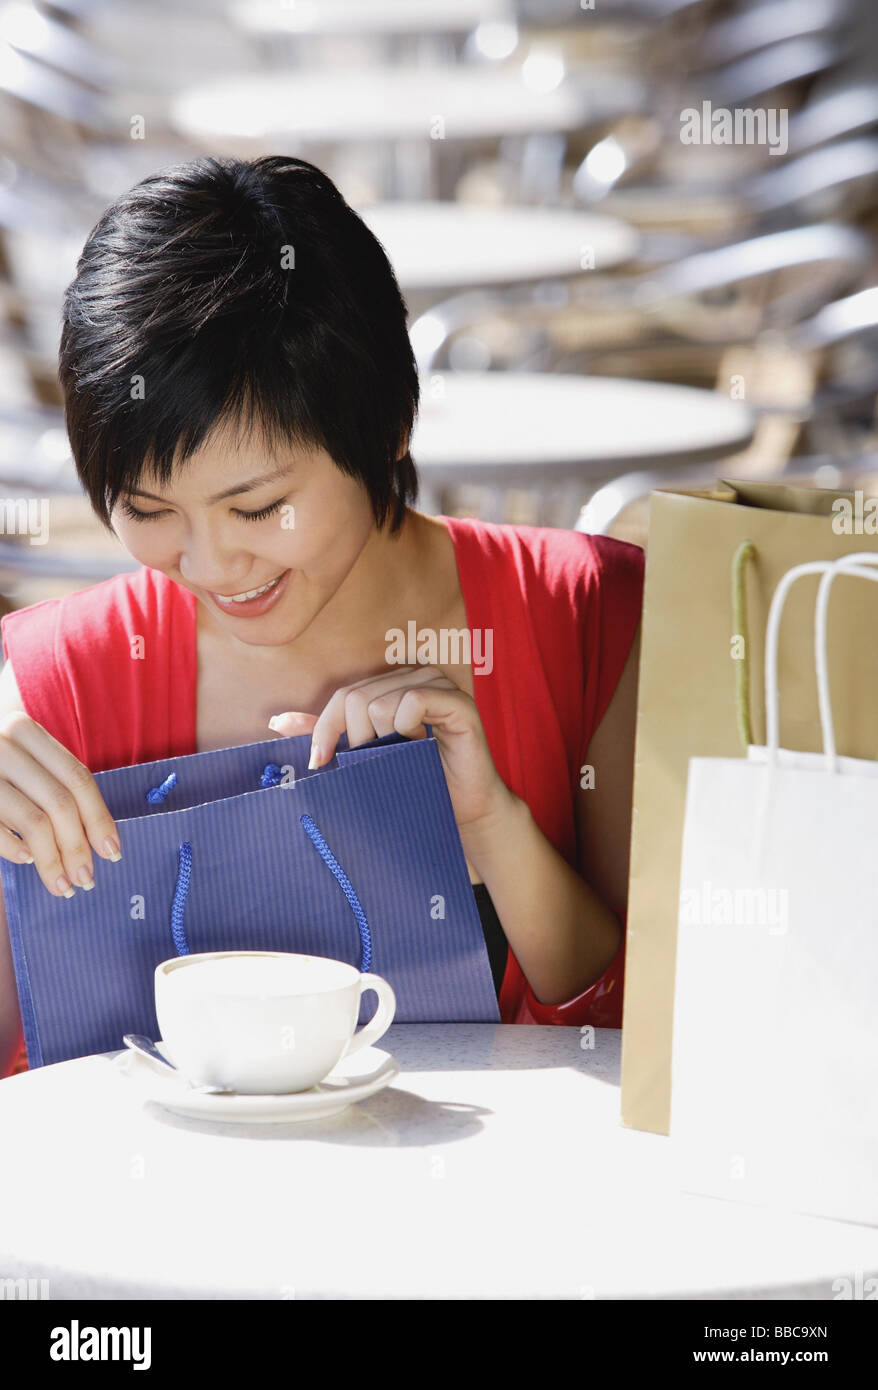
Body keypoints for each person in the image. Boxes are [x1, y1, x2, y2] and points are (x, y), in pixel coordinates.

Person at [0, 156, 643, 1079]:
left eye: (258, 509)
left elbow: (658, 1040)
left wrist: (497, 831)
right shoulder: (54, 686)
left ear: (387, 431)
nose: (212, 566)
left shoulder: (594, 622)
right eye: (147, 512)